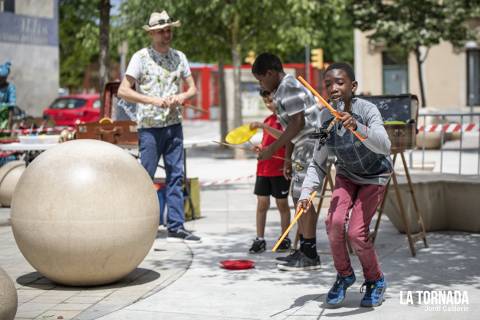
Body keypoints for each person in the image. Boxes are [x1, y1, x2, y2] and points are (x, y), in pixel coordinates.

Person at [298, 62, 392, 307]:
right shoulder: (324, 117)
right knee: (334, 222)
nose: (333, 87)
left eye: (340, 82)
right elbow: (318, 160)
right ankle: (344, 274)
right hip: (347, 175)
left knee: (356, 232)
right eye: (328, 84)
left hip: (374, 176)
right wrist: (306, 193)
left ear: (353, 86)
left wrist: (357, 127)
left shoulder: (368, 110)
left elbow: (385, 144)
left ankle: (375, 279)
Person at [118, 10, 200, 243]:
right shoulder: (140, 57)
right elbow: (124, 90)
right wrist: (152, 100)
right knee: (146, 177)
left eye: (169, 30)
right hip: (149, 127)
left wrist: (181, 97)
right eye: (162, 31)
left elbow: (192, 89)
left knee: (176, 175)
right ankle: (139, 225)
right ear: (152, 33)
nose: (167, 34)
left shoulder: (179, 57)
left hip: (174, 125)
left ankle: (176, 225)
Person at [251, 53, 322, 271]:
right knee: (298, 195)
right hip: (302, 146)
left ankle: (310, 253)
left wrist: (272, 149)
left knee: (303, 197)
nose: (262, 85)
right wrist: (288, 159)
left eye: (261, 80)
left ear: (271, 73)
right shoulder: (283, 89)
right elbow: (290, 127)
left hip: (311, 144)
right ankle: (305, 248)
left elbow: (298, 123)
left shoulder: (288, 87)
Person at [248, 89, 291, 254]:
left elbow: (285, 137)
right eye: (266, 102)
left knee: (282, 204)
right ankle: (260, 239)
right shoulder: (268, 119)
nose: (269, 105)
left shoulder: (286, 120)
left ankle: (284, 237)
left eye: (271, 100)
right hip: (263, 169)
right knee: (262, 204)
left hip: (279, 170)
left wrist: (263, 126)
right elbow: (269, 143)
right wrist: (260, 148)